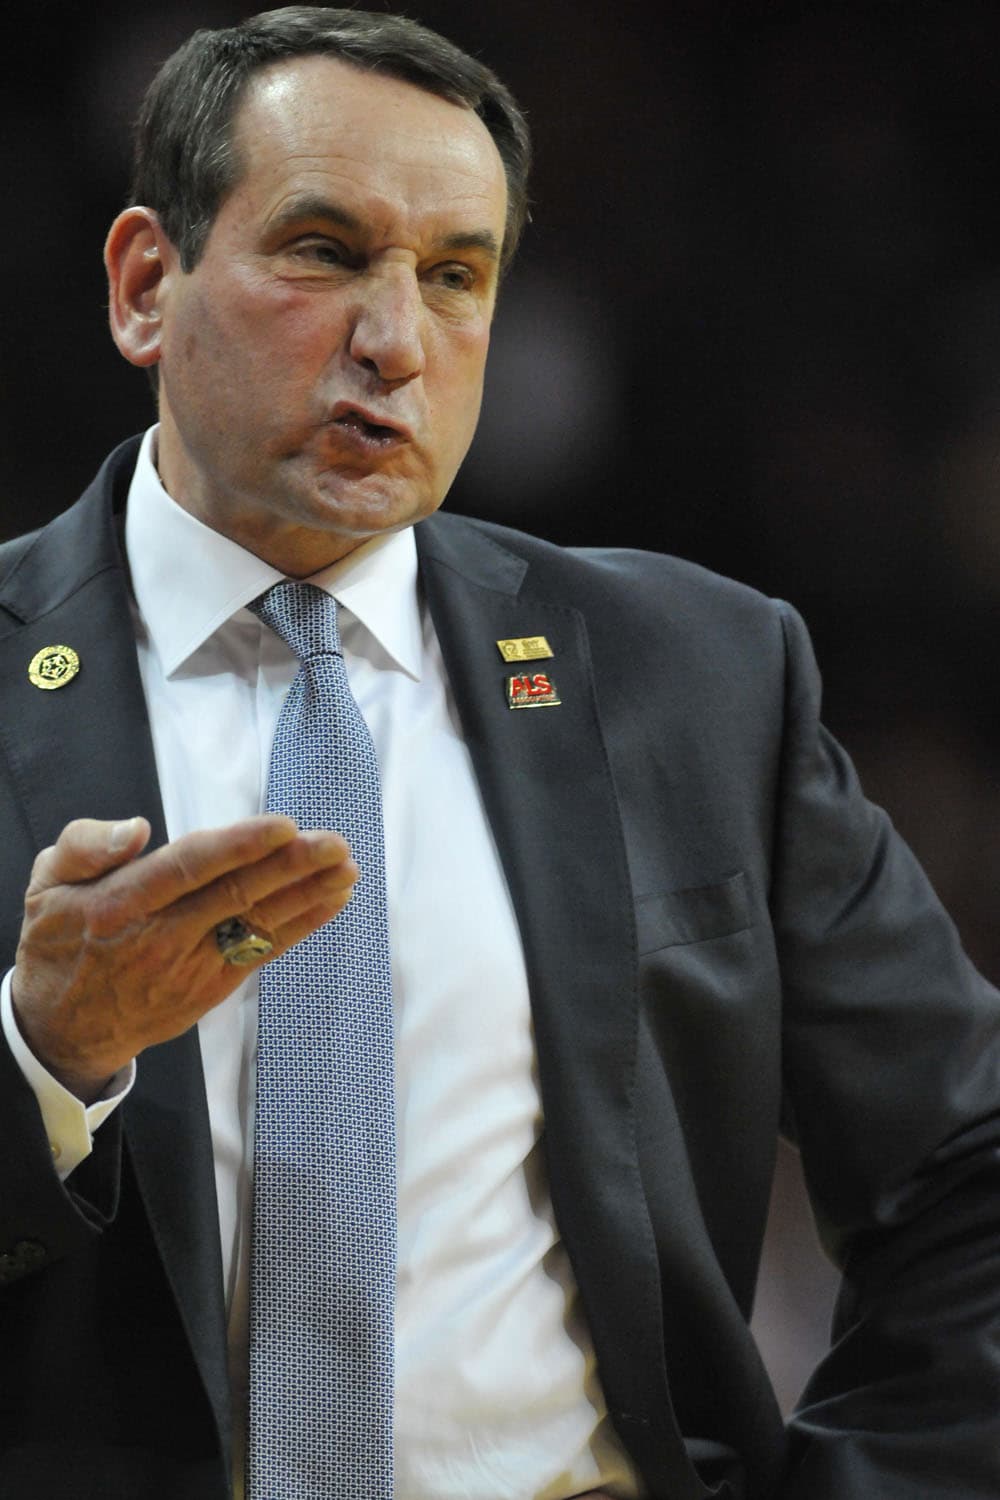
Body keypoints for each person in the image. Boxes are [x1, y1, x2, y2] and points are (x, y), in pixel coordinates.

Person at [0, 7, 998, 1499]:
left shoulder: (695, 677)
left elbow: (966, 1169)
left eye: (456, 275)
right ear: (147, 285)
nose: (396, 342)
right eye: (325, 252)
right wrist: (45, 1059)